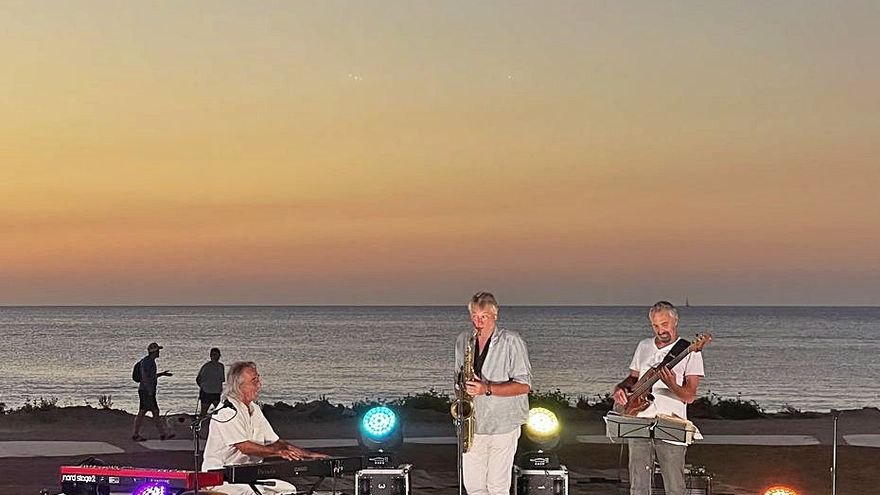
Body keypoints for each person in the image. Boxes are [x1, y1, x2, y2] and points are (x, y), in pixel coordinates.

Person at [612, 301, 705, 495]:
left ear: (675, 321)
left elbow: (690, 396)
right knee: (638, 484)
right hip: (638, 419)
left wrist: (672, 384)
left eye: (664, 324)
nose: (660, 330)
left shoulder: (690, 351)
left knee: (674, 486)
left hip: (672, 423)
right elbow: (633, 378)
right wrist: (620, 388)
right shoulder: (644, 346)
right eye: (655, 325)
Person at [202, 361, 327, 495]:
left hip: (247, 476)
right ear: (239, 386)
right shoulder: (226, 411)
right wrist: (279, 453)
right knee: (252, 493)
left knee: (288, 489)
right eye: (254, 381)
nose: (259, 385)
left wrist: (309, 455)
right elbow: (244, 446)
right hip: (220, 478)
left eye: (258, 380)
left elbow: (276, 442)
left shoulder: (254, 409)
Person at [455, 291, 532, 495]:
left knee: (497, 486)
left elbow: (524, 385)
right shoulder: (464, 340)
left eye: (484, 316)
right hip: (474, 423)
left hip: (503, 424)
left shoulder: (511, 341)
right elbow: (458, 379)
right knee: (473, 486)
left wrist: (486, 388)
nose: (478, 322)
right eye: (474, 316)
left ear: (495, 315)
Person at [131, 342, 174, 441]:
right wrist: (149, 390)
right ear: (154, 352)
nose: (159, 352)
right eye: (158, 350)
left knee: (150, 412)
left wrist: (162, 374)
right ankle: (137, 434)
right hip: (146, 391)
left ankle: (162, 434)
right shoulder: (147, 361)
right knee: (147, 412)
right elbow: (145, 376)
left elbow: (150, 376)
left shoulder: (149, 361)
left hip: (146, 390)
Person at [197, 347, 225, 416]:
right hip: (206, 392)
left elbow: (222, 380)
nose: (216, 357)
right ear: (210, 356)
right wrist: (202, 388)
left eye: (217, 355)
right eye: (214, 355)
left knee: (220, 412)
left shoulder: (221, 366)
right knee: (203, 412)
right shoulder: (206, 366)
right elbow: (198, 379)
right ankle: (200, 422)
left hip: (216, 393)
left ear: (219, 356)